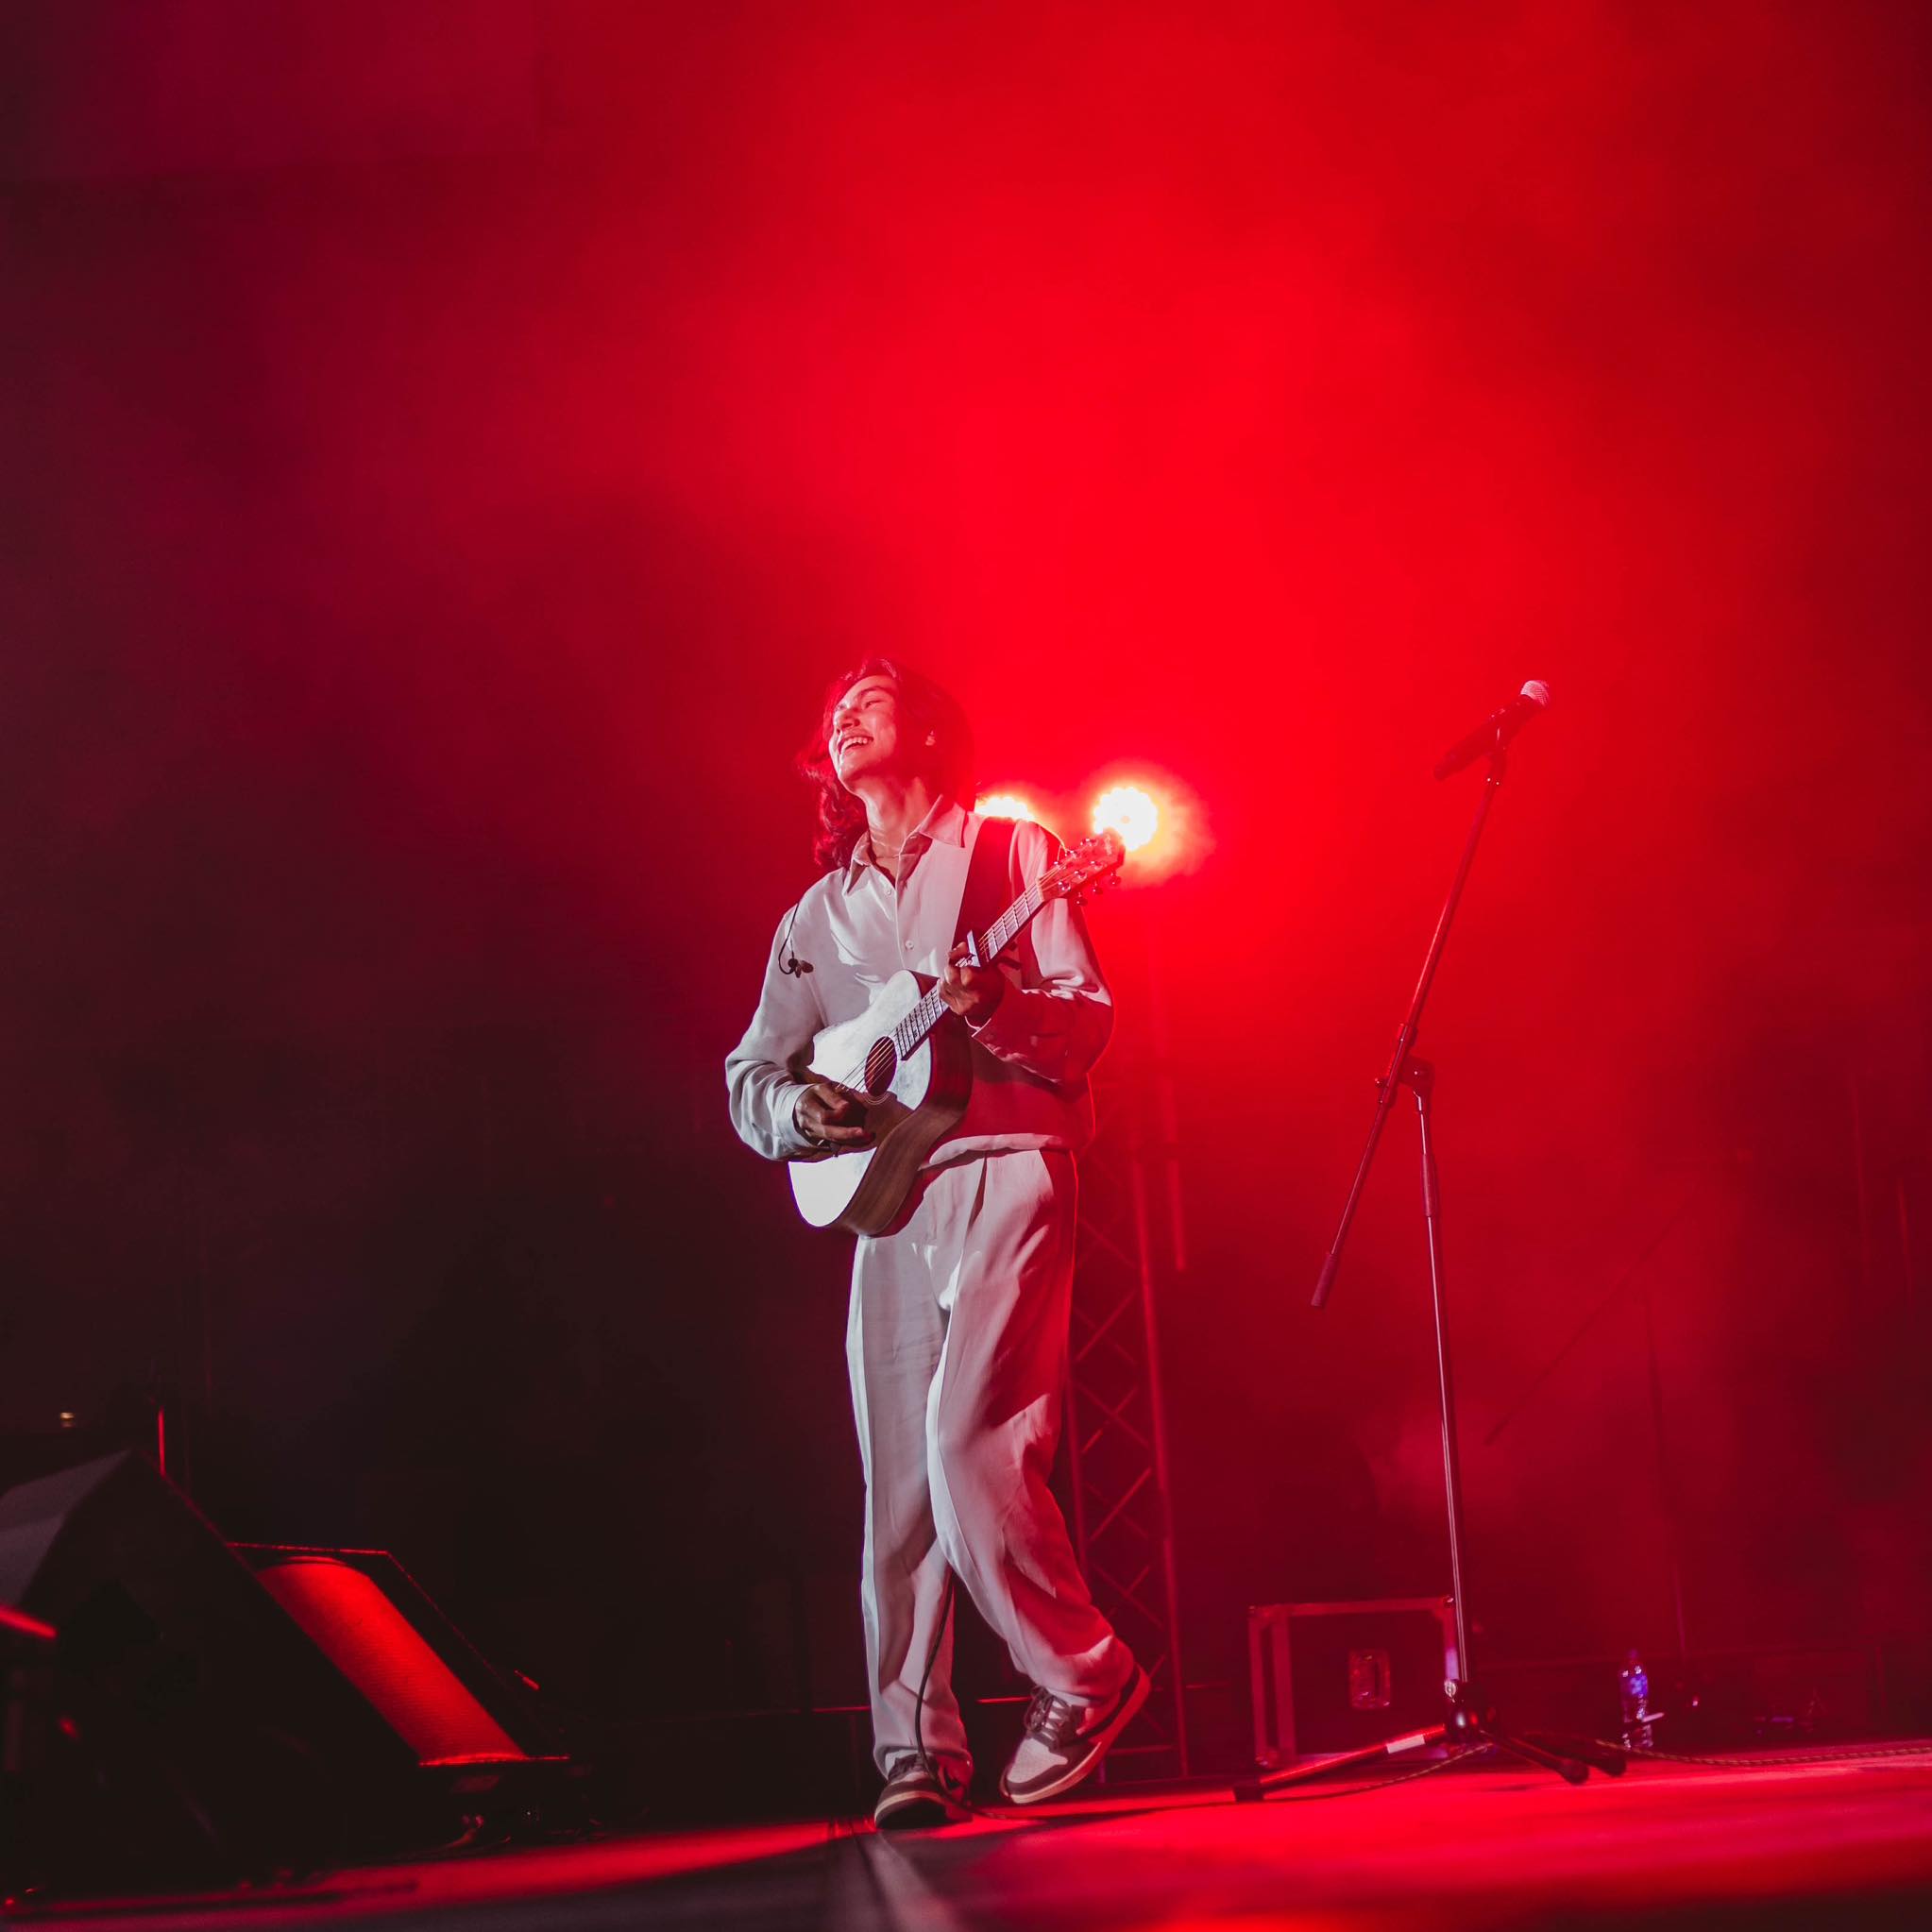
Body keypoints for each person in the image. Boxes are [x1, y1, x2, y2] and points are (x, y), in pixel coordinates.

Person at [726, 659, 1147, 1828]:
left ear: (927, 733)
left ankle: (1085, 1674)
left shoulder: (1017, 854)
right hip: (884, 1197)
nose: (845, 713)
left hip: (1009, 1162)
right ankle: (913, 1751)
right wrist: (795, 1110)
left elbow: (1086, 1020)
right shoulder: (814, 916)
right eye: (835, 708)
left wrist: (996, 1008)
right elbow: (753, 1069)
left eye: (872, 697)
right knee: (899, 1490)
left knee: (972, 1445)